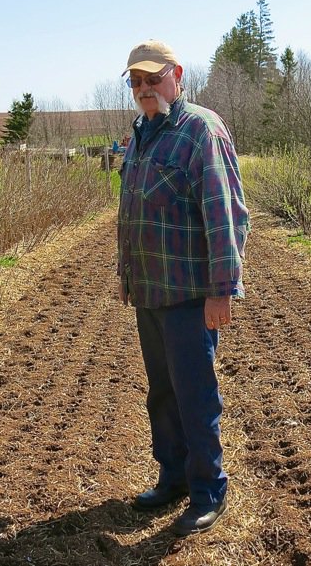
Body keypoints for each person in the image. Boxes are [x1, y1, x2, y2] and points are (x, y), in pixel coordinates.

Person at [116, 39, 250, 537]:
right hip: (150, 292)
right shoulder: (143, 133)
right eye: (136, 81)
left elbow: (225, 215)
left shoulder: (201, 130)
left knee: (194, 396)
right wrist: (128, 278)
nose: (145, 88)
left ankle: (207, 490)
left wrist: (222, 289)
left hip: (190, 296)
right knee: (162, 395)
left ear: (177, 75)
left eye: (153, 79)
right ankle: (172, 478)